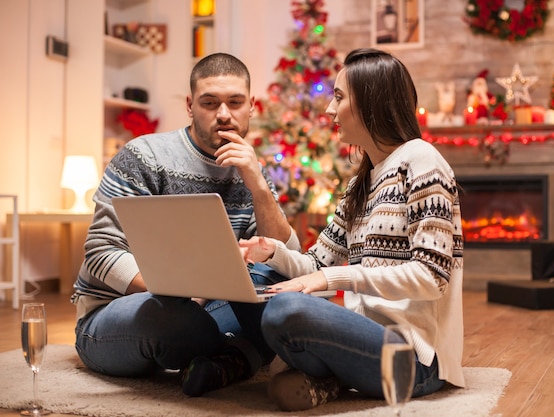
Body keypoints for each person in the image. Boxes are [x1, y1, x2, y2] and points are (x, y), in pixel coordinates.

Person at [239, 48, 465, 412]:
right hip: (363, 337)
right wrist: (269, 251)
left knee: (286, 311)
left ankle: (326, 375)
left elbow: (430, 277)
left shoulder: (422, 160)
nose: (329, 110)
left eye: (339, 97)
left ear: (373, 102)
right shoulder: (362, 183)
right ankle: (335, 377)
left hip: (416, 358)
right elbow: (316, 266)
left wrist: (337, 278)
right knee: (258, 279)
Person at [71, 52, 300, 396]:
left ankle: (223, 360)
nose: (224, 114)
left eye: (235, 102)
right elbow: (100, 253)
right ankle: (242, 353)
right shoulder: (144, 156)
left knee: (284, 296)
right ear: (191, 106)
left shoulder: (252, 170)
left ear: (251, 106)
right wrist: (181, 294)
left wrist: (260, 186)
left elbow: (285, 259)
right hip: (124, 312)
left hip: (207, 309)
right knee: (178, 321)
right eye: (210, 103)